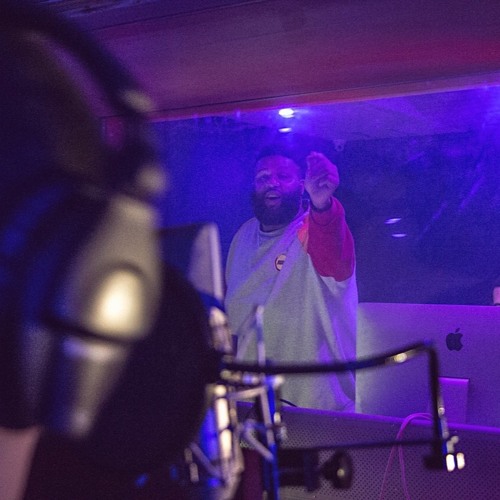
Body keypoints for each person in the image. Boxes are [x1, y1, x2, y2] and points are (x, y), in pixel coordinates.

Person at [224, 146, 358, 411]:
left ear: (301, 185)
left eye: (283, 176)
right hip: (251, 404)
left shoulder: (312, 228)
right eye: (263, 177)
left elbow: (332, 255)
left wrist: (322, 205)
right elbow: (234, 318)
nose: (272, 183)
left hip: (317, 407)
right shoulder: (244, 235)